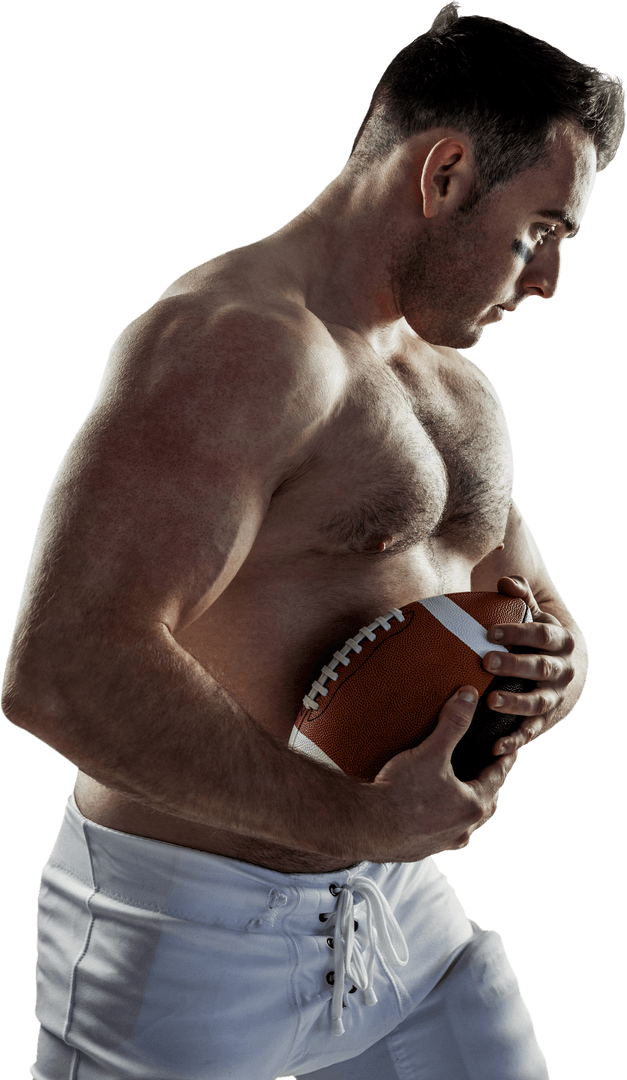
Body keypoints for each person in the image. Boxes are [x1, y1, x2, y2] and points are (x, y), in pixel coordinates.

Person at [2, 4, 623, 1078]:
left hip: (389, 914)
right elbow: (59, 670)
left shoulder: (450, 389)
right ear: (443, 175)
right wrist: (353, 816)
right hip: (180, 943)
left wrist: (558, 664)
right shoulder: (233, 348)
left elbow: (532, 612)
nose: (548, 281)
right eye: (542, 232)